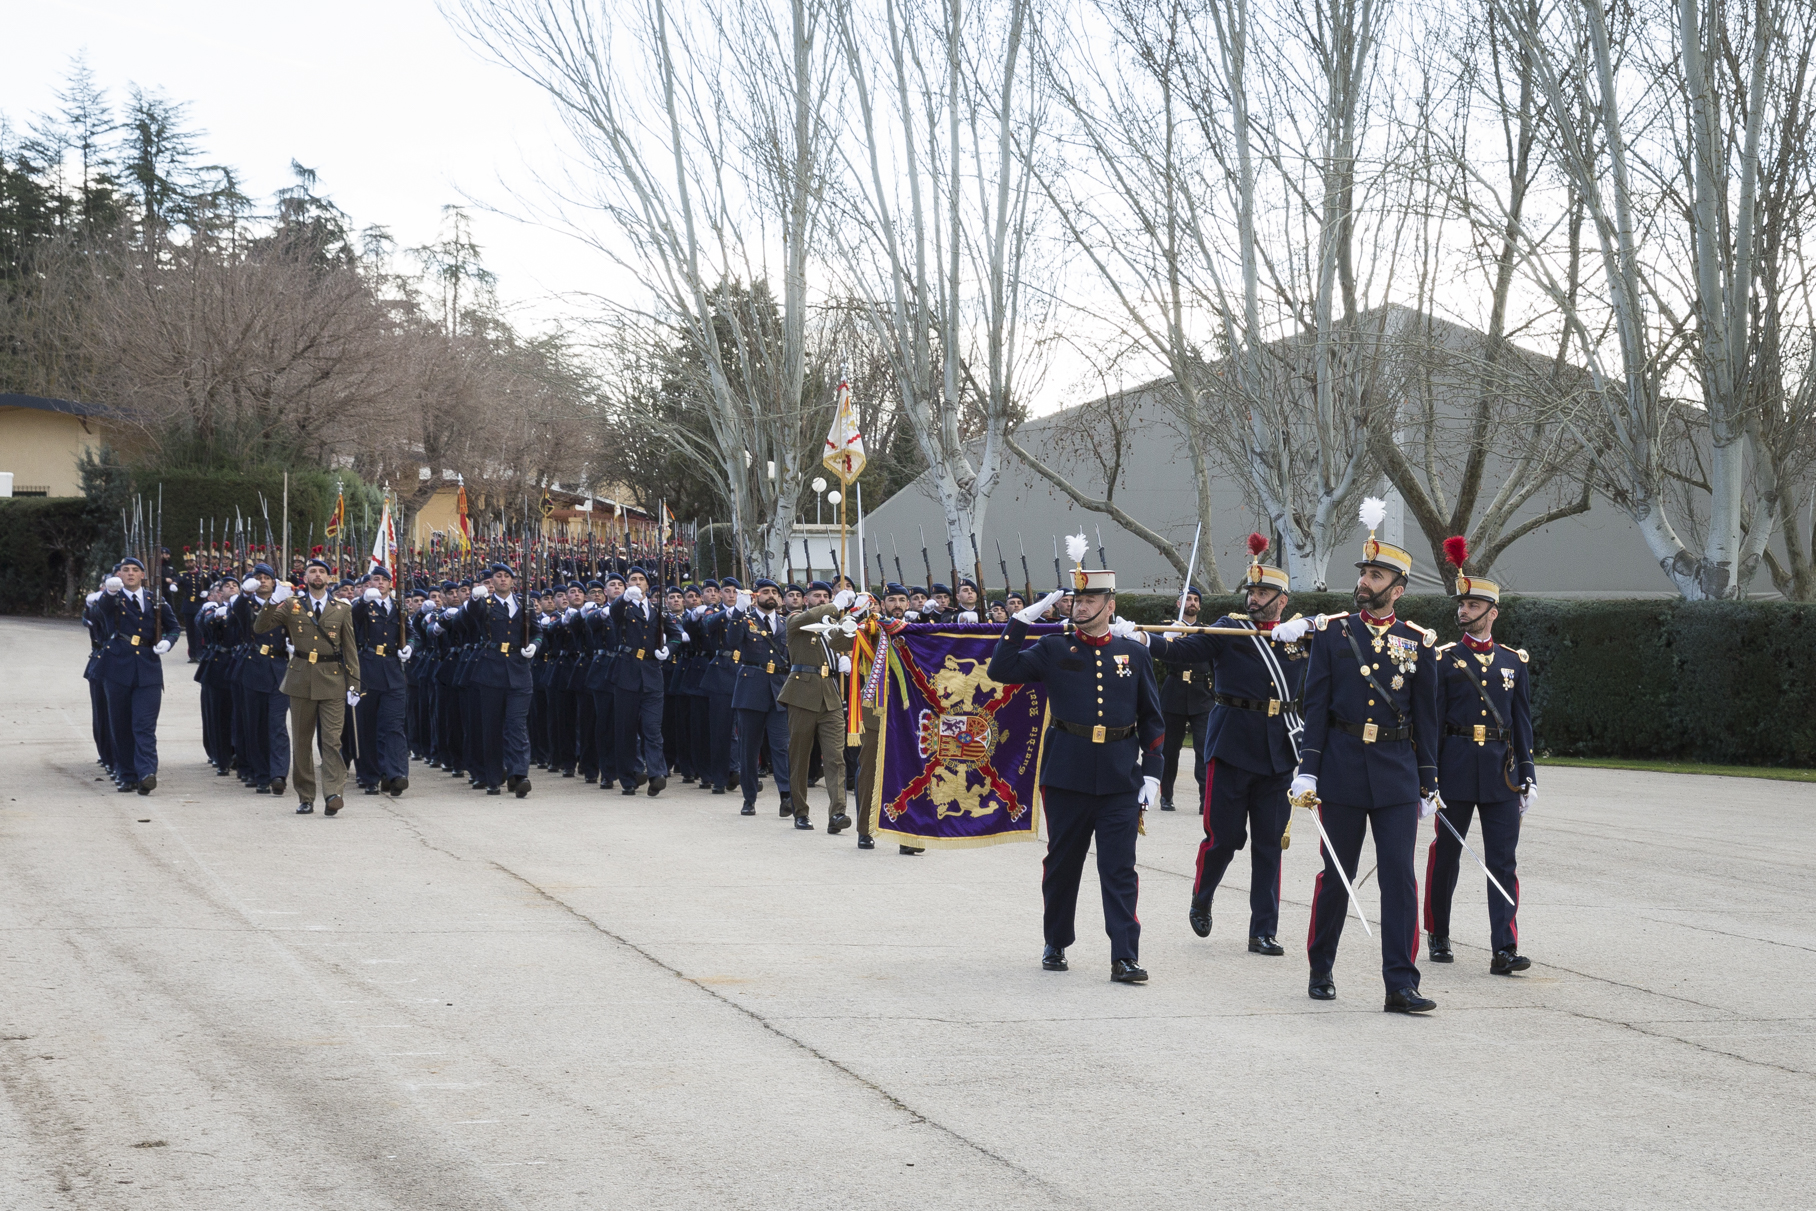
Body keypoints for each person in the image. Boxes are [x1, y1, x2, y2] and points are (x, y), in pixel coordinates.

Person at [1282, 503, 1443, 1012]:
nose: (1365, 581)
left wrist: (1429, 781)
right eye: (1364, 573)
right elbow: (1316, 706)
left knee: (1399, 877)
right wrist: (1308, 768)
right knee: (1338, 874)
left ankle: (1401, 983)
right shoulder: (1333, 633)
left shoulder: (1417, 643)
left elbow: (1427, 719)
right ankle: (1321, 964)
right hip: (1344, 768)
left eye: (1376, 575)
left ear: (1398, 587)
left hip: (1396, 771)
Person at [986, 551, 1165, 983]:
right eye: (1076, 600)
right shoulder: (1052, 647)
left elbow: (1153, 718)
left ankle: (1124, 955)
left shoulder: (1133, 654)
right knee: (1064, 862)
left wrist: (1154, 772)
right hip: (1067, 772)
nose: (1080, 607)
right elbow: (1001, 669)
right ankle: (1056, 940)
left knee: (1119, 867)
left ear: (1111, 605)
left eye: (1091, 600)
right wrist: (1022, 622)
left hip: (1121, 774)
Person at [1153, 543, 1308, 956]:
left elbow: (1344, 633)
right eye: (1251, 594)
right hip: (1233, 746)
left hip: (1278, 751)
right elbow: (1183, 650)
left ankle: (1262, 930)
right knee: (1224, 838)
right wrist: (1153, 640)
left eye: (1262, 595)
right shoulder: (1228, 628)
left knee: (1269, 844)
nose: (1254, 600)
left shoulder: (1298, 636)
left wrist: (1311, 621)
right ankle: (1203, 896)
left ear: (1282, 601)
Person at [1424, 539, 1537, 975]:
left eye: (1473, 605)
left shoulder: (1514, 662)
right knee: (1447, 855)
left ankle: (1504, 947)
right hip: (1453, 768)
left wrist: (1528, 774)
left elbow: (1522, 723)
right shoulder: (1444, 660)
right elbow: (1431, 723)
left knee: (1503, 861)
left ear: (1493, 612)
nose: (1464, 611)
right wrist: (1427, 778)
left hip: (1500, 774)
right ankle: (1438, 933)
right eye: (1462, 604)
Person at [253, 556, 362, 816]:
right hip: (300, 679)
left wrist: (354, 685)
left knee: (332, 741)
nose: (316, 575)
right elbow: (260, 627)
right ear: (305, 578)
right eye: (312, 571)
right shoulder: (291, 605)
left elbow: (350, 650)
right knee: (302, 742)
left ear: (328, 578)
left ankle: (333, 793)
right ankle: (306, 795)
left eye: (321, 572)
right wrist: (271, 601)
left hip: (333, 680)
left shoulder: (342, 608)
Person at [445, 564, 536, 797]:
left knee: (517, 726)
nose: (503, 580)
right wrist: (474, 600)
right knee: (491, 728)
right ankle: (493, 777)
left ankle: (519, 775)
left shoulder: (524, 604)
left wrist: (535, 645)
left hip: (518, 669)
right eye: (498, 576)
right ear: (491, 581)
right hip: (490, 670)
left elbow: (537, 631)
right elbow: (461, 622)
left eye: (507, 576)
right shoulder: (484, 605)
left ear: (513, 581)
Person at [94, 557, 183, 794]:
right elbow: (100, 611)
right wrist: (109, 592)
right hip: (118, 667)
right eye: (126, 570)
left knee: (144, 725)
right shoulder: (113, 598)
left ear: (143, 575)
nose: (130, 574)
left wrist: (168, 641)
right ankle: (126, 774)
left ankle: (146, 773)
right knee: (120, 724)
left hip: (148, 668)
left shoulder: (156, 600)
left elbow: (174, 627)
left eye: (135, 570)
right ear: (119, 574)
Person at [781, 582, 860, 833]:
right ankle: (800, 811)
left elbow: (846, 642)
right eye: (817, 596)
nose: (822, 599)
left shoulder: (831, 626)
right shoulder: (797, 620)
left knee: (836, 757)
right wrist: (835, 605)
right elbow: (807, 619)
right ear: (806, 600)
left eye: (826, 596)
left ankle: (838, 813)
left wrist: (850, 621)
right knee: (800, 756)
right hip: (802, 694)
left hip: (831, 696)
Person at [609, 567, 679, 796]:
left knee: (652, 728)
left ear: (648, 586)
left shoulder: (657, 610)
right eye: (633, 580)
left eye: (641, 580)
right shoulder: (624, 606)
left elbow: (676, 633)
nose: (637, 583)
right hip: (627, 671)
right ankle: (629, 777)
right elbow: (613, 613)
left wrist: (668, 649)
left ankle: (657, 773)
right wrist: (622, 598)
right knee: (626, 728)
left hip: (652, 673)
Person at [729, 578, 793, 817]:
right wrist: (737, 609)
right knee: (749, 748)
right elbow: (732, 641)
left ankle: (786, 796)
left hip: (779, 690)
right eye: (765, 591)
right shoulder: (745, 621)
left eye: (775, 592)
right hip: (751, 689)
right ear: (755, 597)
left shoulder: (785, 623)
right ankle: (749, 798)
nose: (771, 595)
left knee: (782, 747)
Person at [233, 563, 292, 796]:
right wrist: (244, 593)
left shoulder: (285, 604)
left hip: (279, 668)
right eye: (258, 577)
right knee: (255, 725)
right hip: (253, 668)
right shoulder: (246, 605)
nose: (262, 581)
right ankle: (260, 775)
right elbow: (236, 613)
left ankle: (278, 775)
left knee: (277, 725)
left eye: (267, 577)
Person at [350, 567, 410, 797]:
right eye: (376, 579)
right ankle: (370, 776)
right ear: (369, 583)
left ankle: (396, 775)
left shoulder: (398, 607)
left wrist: (410, 646)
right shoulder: (362, 606)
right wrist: (363, 601)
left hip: (393, 673)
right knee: (367, 727)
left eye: (385, 580)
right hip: (367, 670)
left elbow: (411, 632)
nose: (381, 583)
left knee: (393, 726)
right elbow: (352, 619)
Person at [1155, 585, 1212, 813]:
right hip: (1175, 692)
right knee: (1170, 749)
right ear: (1179, 604)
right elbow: (1156, 649)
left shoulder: (1208, 630)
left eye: (1196, 599)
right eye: (1188, 599)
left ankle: (1205, 799)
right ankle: (1166, 795)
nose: (1192, 603)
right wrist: (1169, 637)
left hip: (1201, 693)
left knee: (1204, 747)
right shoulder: (1168, 629)